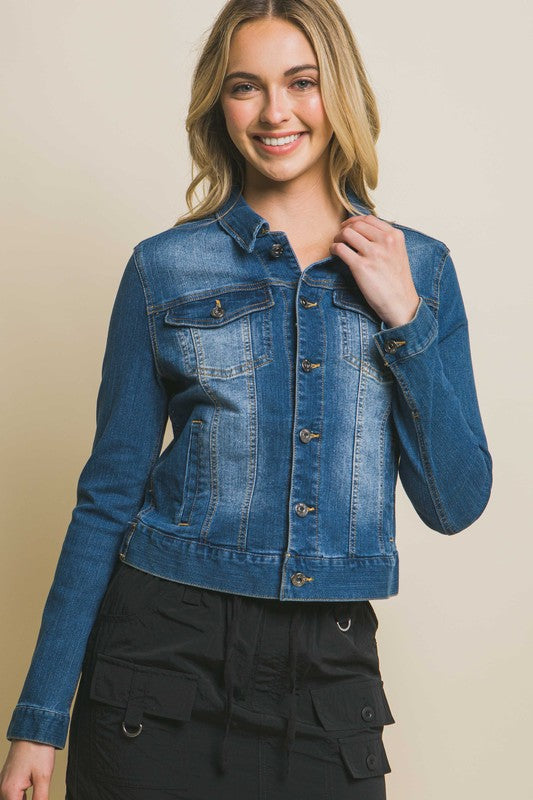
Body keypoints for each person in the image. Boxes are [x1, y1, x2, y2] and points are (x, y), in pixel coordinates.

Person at [0, 1, 493, 798]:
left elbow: (456, 501)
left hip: (329, 679)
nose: (275, 112)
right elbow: (107, 499)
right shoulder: (164, 269)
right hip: (158, 666)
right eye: (245, 87)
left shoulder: (420, 270)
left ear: (340, 92)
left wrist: (404, 321)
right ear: (217, 107)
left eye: (301, 82)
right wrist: (38, 718)